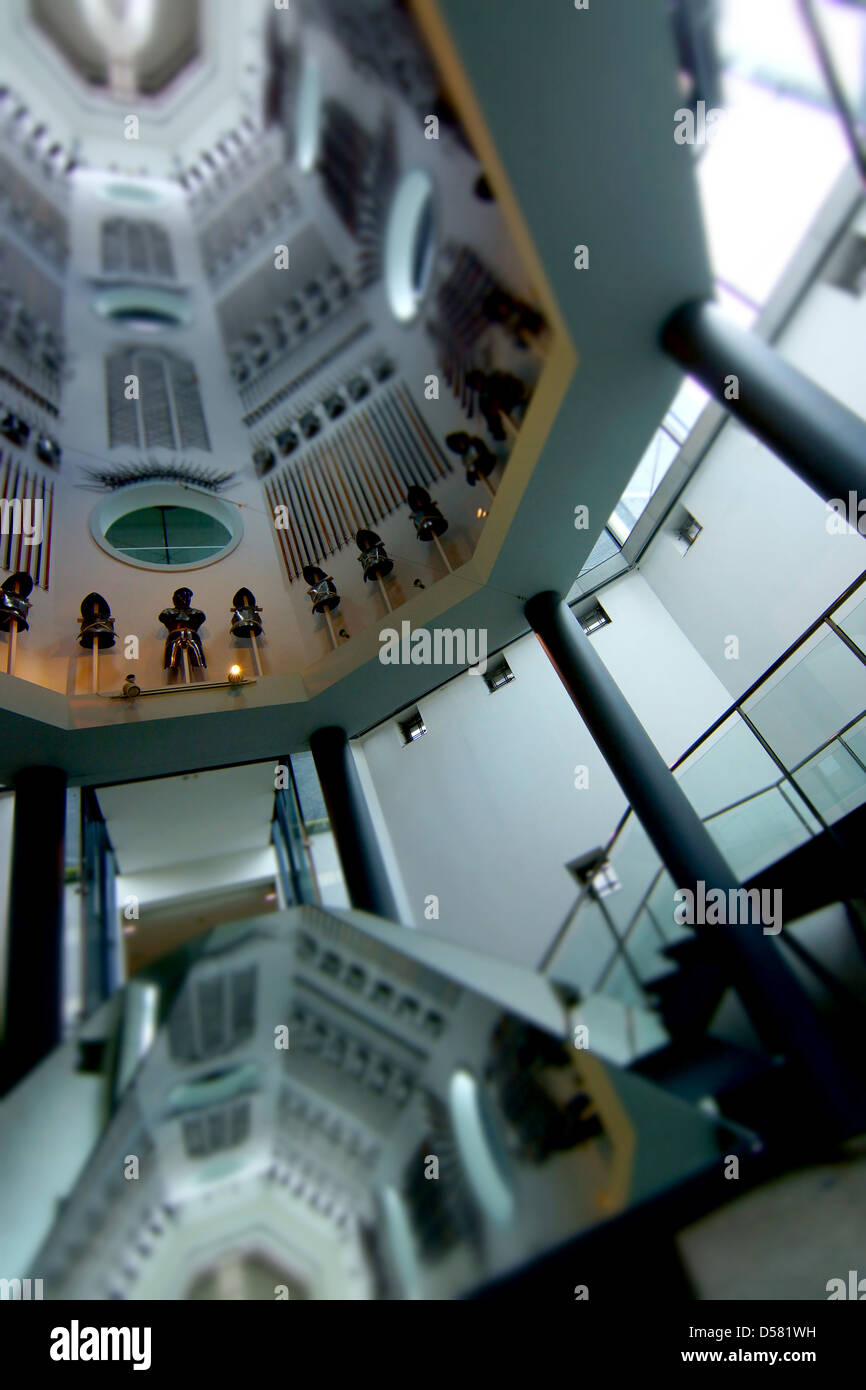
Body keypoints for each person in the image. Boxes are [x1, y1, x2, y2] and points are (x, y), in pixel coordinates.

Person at [158, 587, 207, 671]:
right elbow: (163, 618)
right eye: (181, 597)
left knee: (198, 660)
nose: (184, 600)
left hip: (192, 636)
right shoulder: (168, 613)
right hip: (174, 637)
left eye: (186, 597)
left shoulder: (197, 613)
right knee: (172, 659)